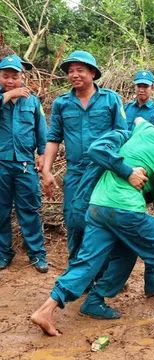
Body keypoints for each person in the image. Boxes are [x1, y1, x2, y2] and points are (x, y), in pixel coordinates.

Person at [31, 114, 154, 336]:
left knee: (97, 260)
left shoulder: (146, 130)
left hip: (98, 205)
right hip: (125, 210)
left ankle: (54, 309)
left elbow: (139, 121)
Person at [75, 109, 154, 319]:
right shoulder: (125, 139)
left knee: (129, 248)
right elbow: (98, 152)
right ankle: (74, 291)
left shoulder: (142, 143)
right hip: (96, 203)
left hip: (107, 205)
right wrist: (129, 171)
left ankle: (144, 285)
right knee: (88, 257)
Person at [42, 50, 127, 259]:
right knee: (74, 219)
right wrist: (46, 170)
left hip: (103, 172)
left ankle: (105, 270)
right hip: (76, 173)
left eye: (80, 70)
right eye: (71, 71)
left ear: (93, 73)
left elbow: (124, 134)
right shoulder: (62, 103)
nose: (74, 75)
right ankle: (77, 269)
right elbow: (54, 138)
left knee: (104, 219)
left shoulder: (111, 100)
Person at [0, 55, 48, 272]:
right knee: (1, 211)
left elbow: (41, 131)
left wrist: (42, 154)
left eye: (14, 77)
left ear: (23, 77)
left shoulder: (33, 102)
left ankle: (37, 254)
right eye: (5, 76)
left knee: (29, 209)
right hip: (1, 163)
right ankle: (3, 253)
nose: (10, 80)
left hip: (25, 164)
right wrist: (9, 95)